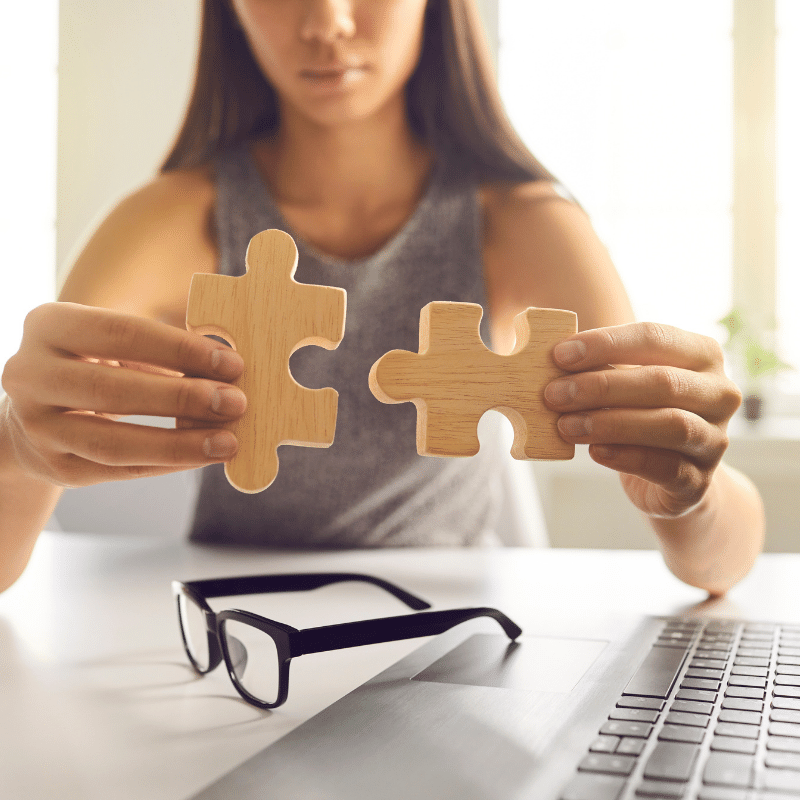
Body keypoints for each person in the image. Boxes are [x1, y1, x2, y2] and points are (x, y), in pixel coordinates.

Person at [0, 0, 764, 595]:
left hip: (450, 641)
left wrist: (690, 493)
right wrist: (17, 450)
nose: (325, 22)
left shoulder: (523, 222)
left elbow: (720, 570)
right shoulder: (166, 221)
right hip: (234, 637)